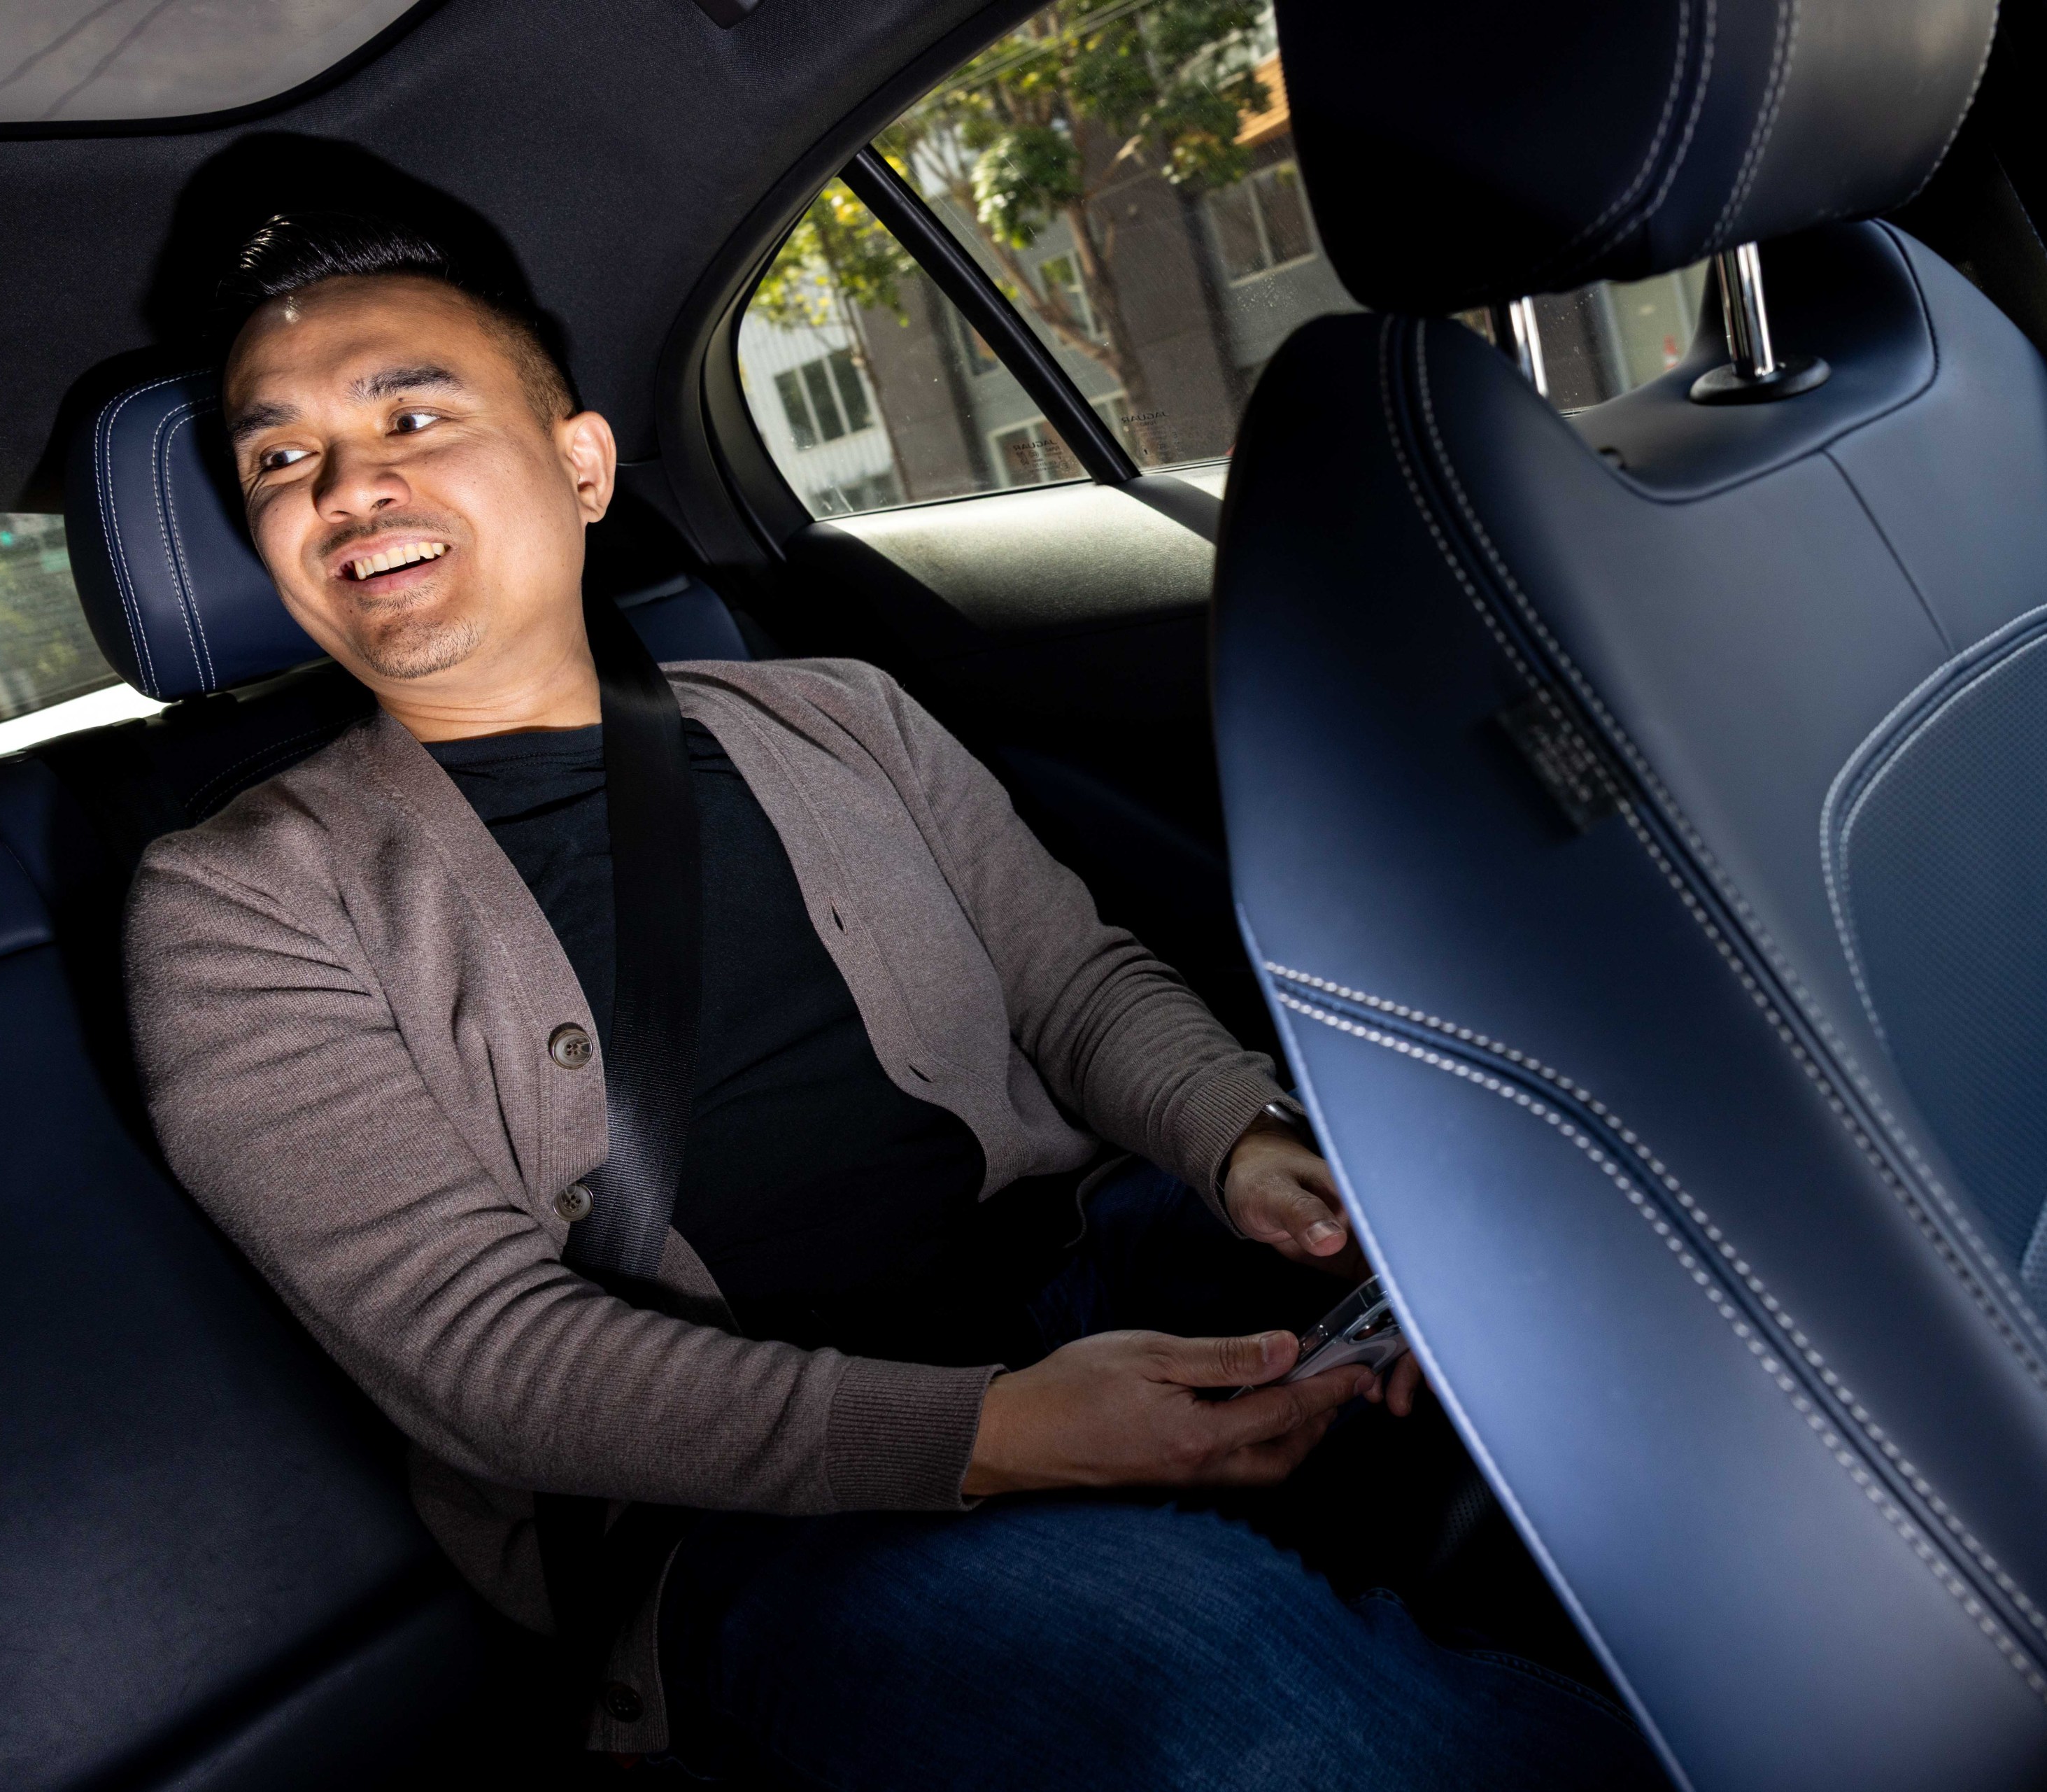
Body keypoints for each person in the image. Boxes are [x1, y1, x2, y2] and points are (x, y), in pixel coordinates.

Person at [124, 214, 1665, 1790]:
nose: (347, 486)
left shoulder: (838, 713)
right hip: (751, 1519)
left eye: (411, 416)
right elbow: (486, 1356)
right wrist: (998, 1433)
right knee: (1221, 1699)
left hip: (1081, 1271)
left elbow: (1070, 986)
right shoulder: (238, 902)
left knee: (1565, 1252)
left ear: (584, 464)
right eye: (278, 461)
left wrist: (1246, 1147)